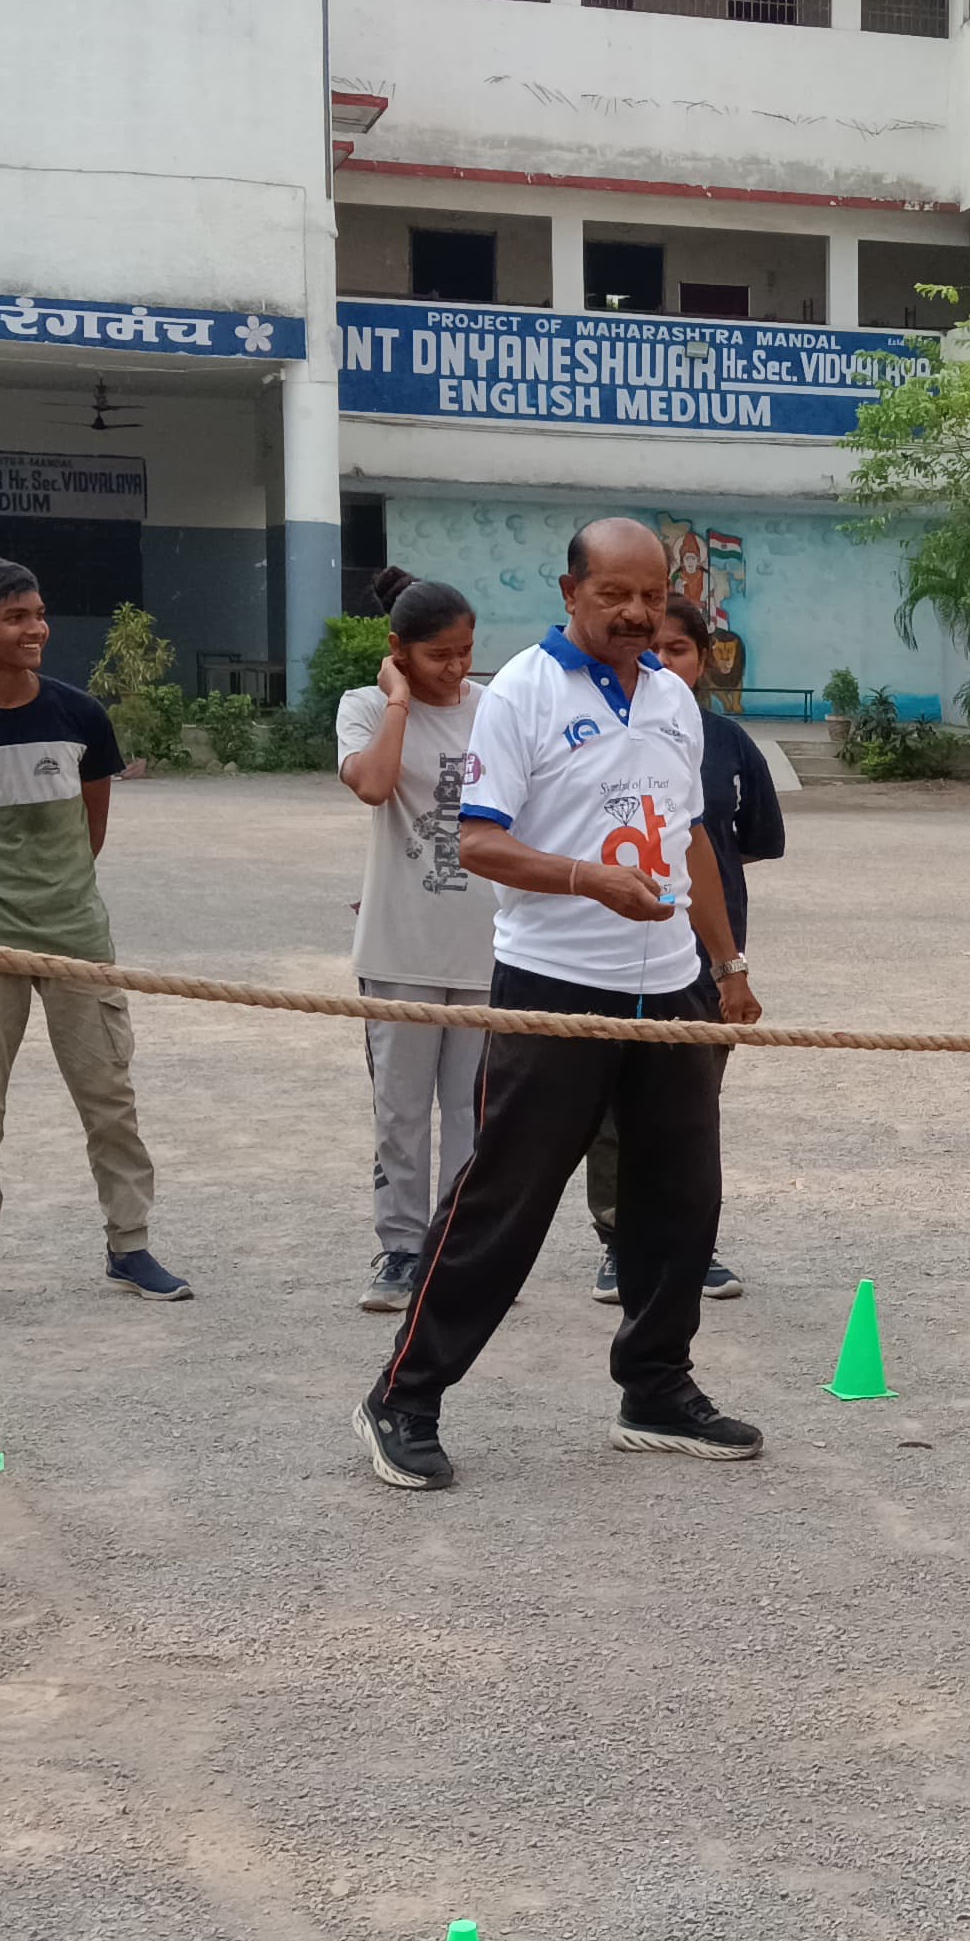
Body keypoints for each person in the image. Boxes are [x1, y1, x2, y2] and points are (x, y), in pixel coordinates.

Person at [356, 518, 768, 1491]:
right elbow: (481, 845)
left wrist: (728, 963)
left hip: (669, 988)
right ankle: (403, 1398)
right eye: (612, 595)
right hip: (553, 987)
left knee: (680, 1195)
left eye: (650, 595)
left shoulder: (672, 696)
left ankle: (656, 1389)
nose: (635, 613)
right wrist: (589, 880)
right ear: (569, 591)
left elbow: (693, 838)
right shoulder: (521, 696)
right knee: (505, 1199)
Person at [0, 557, 188, 1313]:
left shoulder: (79, 715)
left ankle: (130, 1247)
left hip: (77, 937)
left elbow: (91, 828)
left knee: (108, 1097)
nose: (35, 630)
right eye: (16, 618)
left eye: (38, 613)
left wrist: (56, 900)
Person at [587, 590, 783, 1303]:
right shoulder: (602, 728)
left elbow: (750, 842)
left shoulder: (725, 743)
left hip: (706, 951)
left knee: (691, 1107)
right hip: (616, 948)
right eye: (654, 648)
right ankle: (617, 1241)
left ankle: (690, 1243)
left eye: (679, 649)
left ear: (702, 662)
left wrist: (725, 951)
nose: (663, 660)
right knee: (613, 1103)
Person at [334, 568, 492, 1312]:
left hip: (487, 948)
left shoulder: (494, 710)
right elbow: (373, 784)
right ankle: (400, 1249)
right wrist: (399, 699)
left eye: (466, 652)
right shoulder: (365, 706)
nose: (457, 669)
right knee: (400, 1109)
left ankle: (459, 1249)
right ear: (397, 649)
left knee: (474, 1110)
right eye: (439, 656)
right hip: (398, 946)